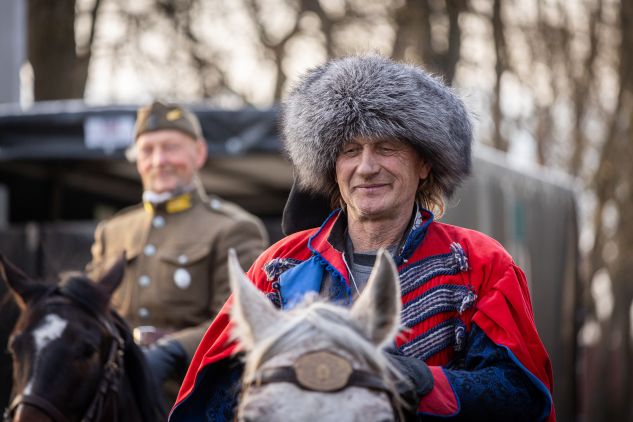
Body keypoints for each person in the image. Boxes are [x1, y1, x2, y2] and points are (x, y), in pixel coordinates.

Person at [169, 55, 555, 421]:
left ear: (423, 164)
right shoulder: (277, 266)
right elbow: (215, 400)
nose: (367, 167)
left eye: (386, 148)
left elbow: (521, 394)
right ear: (332, 167)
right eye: (351, 150)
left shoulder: (479, 263)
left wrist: (419, 380)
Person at [86, 100, 269, 408]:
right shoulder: (112, 231)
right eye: (148, 150)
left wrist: (173, 350)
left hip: (191, 398)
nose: (159, 160)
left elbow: (242, 318)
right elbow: (89, 312)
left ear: (199, 153)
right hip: (113, 398)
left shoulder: (234, 228)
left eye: (171, 147)